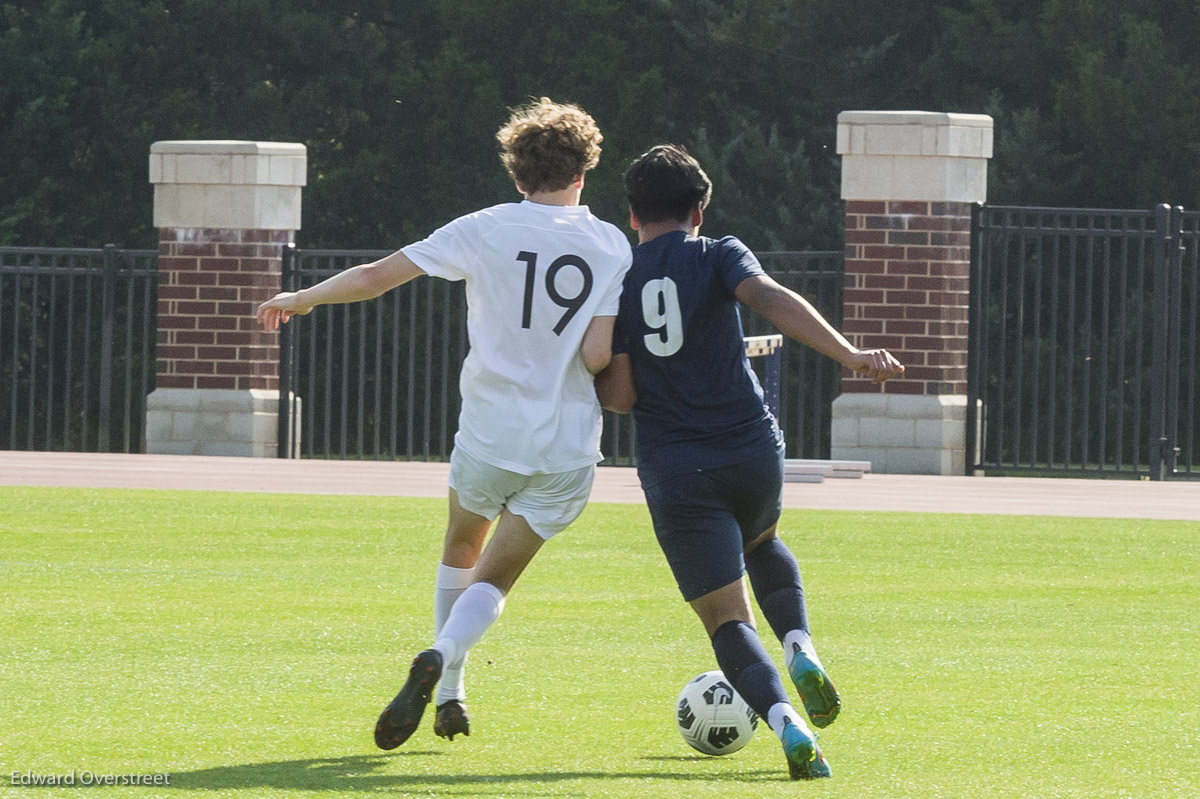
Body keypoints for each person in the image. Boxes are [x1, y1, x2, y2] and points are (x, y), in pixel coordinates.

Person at [257, 98, 632, 748]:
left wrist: (304, 297)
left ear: (517, 175)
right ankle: (442, 662)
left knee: (462, 547)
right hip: (565, 446)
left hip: (488, 434)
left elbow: (377, 278)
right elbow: (599, 355)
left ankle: (452, 686)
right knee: (495, 577)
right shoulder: (609, 243)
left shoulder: (485, 226)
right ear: (584, 171)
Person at [595, 144, 903, 780]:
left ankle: (789, 725)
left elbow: (621, 398)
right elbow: (769, 297)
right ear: (699, 211)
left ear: (632, 216)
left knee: (727, 620)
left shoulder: (618, 279)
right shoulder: (719, 253)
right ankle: (800, 644)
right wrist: (847, 354)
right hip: (751, 448)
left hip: (677, 467)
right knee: (762, 542)